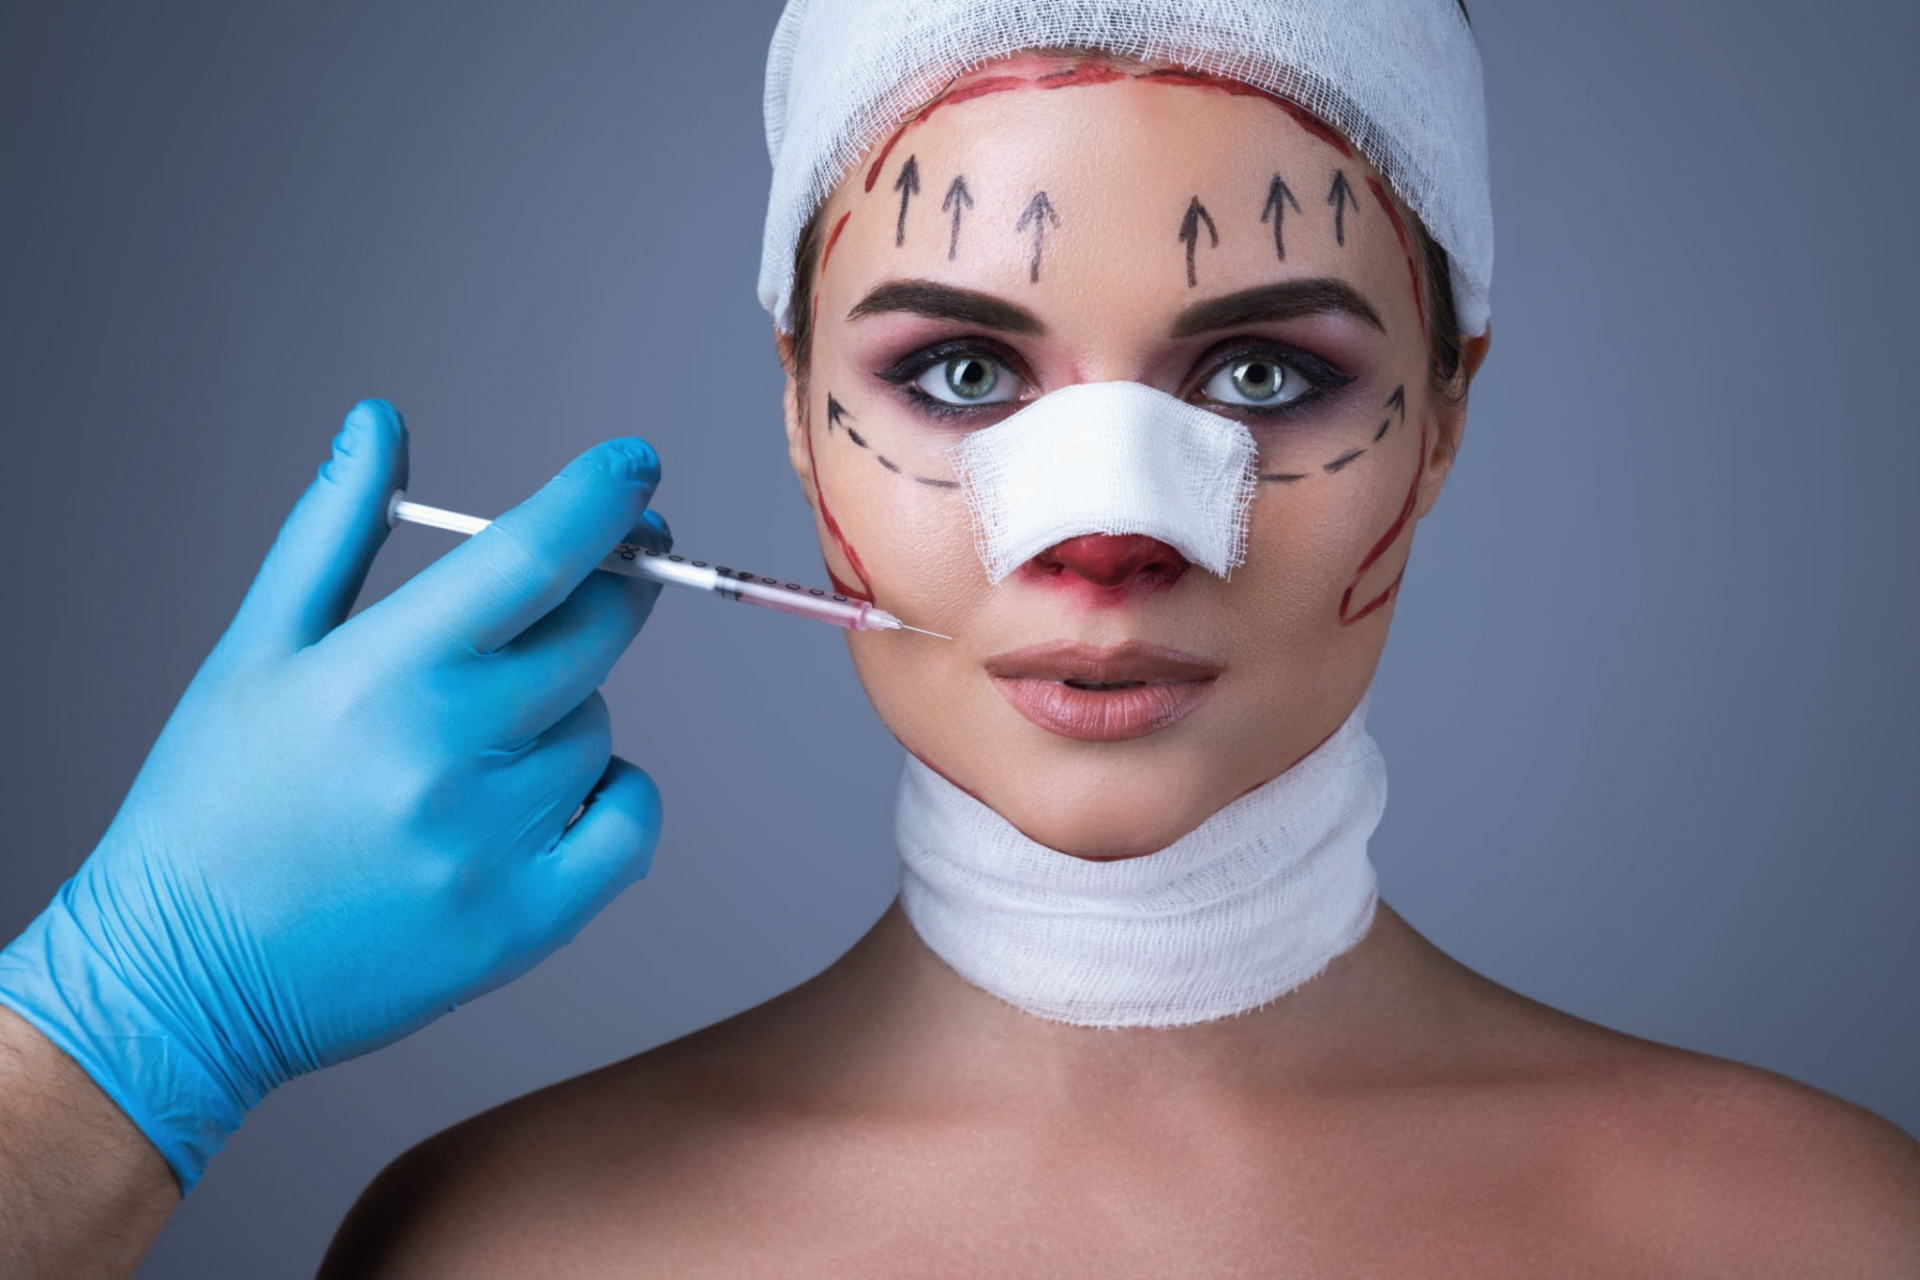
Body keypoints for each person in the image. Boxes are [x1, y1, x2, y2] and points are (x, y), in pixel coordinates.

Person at [312, 6, 1920, 1276]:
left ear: (1443, 420)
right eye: (957, 372)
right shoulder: (498, 1250)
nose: (1102, 536)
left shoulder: (1824, 1240)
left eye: (1264, 376)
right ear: (798, 412)